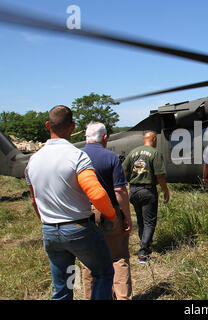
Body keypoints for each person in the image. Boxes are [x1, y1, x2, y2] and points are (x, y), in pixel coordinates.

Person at [25, 105, 115, 300]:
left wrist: (47, 220)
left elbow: (34, 201)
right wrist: (111, 215)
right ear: (73, 127)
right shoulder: (77, 156)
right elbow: (97, 194)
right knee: (103, 273)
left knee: (64, 285)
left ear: (48, 125)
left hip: (50, 233)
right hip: (79, 231)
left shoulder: (33, 160)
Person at [81, 122, 133, 300]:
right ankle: (123, 297)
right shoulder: (111, 157)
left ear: (86, 137)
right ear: (104, 138)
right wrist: (126, 215)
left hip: (84, 214)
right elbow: (120, 190)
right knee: (118, 258)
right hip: (109, 211)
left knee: (88, 262)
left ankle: (91, 296)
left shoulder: (77, 156)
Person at [122, 130, 170, 264]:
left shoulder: (133, 152)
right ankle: (144, 251)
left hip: (133, 190)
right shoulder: (155, 153)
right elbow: (160, 175)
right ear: (154, 139)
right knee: (149, 221)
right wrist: (165, 190)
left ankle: (144, 241)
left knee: (140, 219)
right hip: (147, 190)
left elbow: (124, 170)